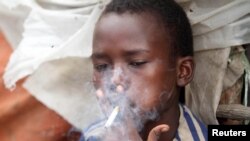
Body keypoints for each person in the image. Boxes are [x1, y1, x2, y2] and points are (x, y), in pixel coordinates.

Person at [82, 0, 208, 140]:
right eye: (101, 66)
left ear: (183, 71)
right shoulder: (91, 136)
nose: (115, 79)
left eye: (136, 63)